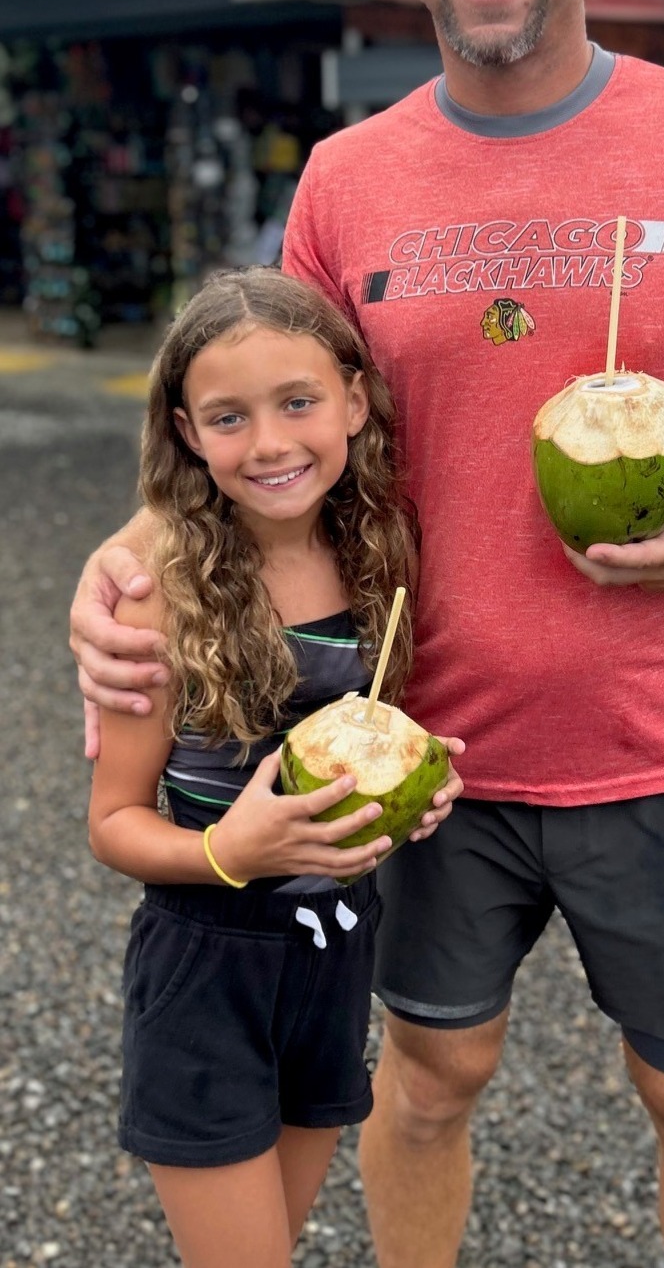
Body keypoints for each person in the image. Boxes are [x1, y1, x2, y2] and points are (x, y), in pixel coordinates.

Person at [71, 0, 664, 1268]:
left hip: (654, 746)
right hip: (413, 743)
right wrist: (119, 559)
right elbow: (259, 420)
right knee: (429, 1083)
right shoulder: (344, 178)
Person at [86, 266, 464, 1268]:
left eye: (298, 401)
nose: (268, 442)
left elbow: (375, 736)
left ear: (353, 399)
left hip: (335, 947)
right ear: (186, 430)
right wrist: (230, 849)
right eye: (228, 416)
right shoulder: (157, 589)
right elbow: (112, 819)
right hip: (207, 958)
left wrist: (416, 786)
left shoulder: (377, 551)